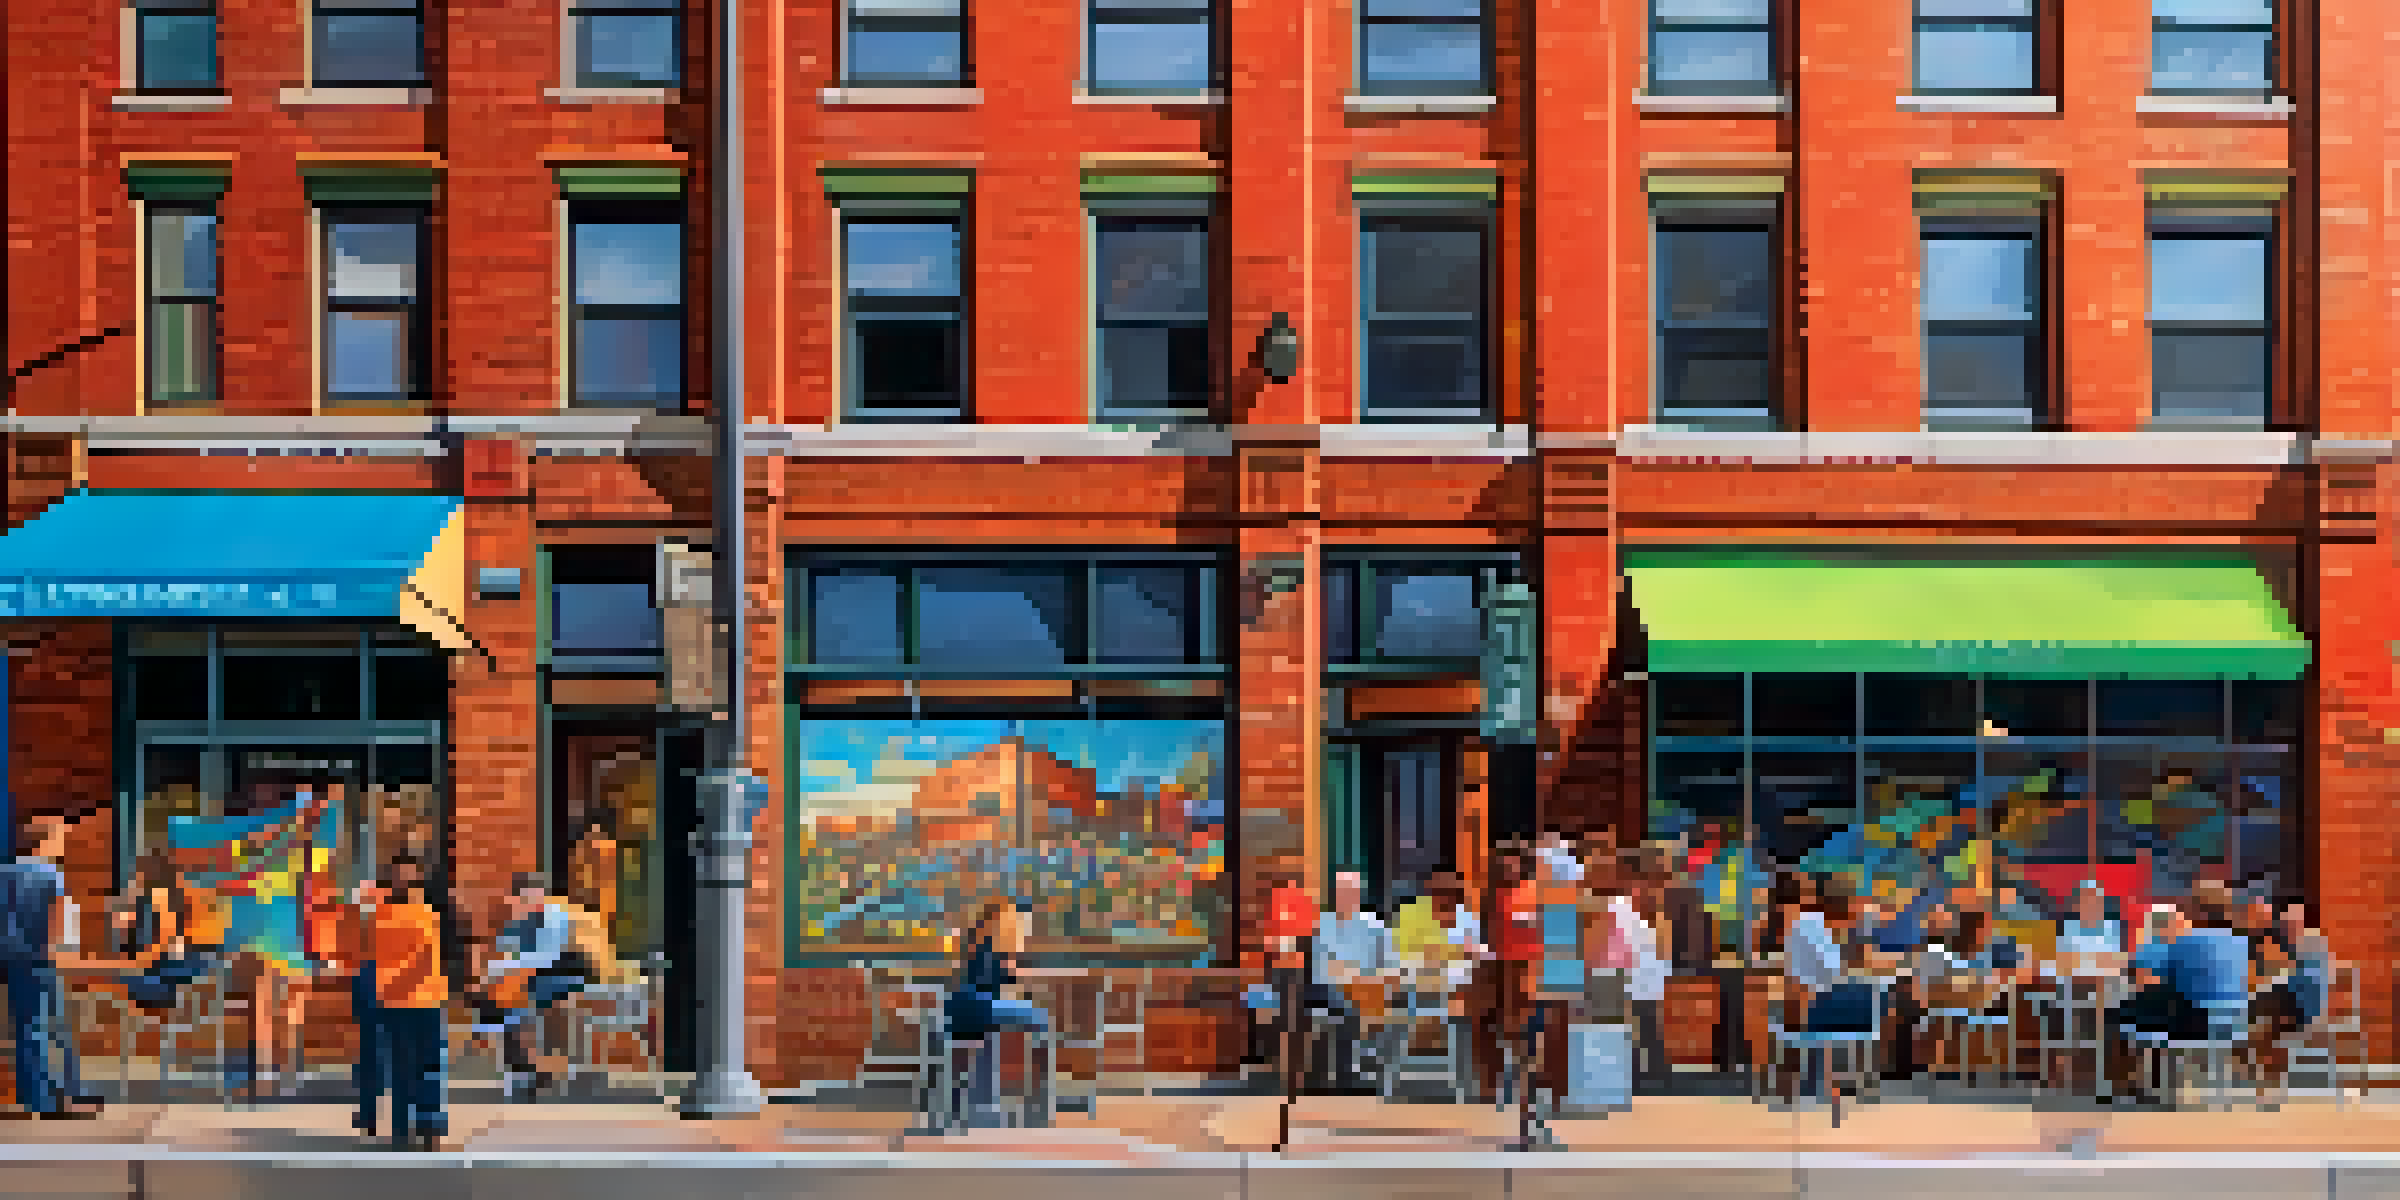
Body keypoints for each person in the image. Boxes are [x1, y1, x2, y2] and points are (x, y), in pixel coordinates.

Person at [0, 815, 100, 1120]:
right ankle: (51, 1100)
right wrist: (58, 951)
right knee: (48, 1028)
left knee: (28, 1029)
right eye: (59, 837)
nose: (62, 843)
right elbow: (55, 916)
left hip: (13, 957)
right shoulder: (50, 873)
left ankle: (42, 1094)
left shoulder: (5, 873)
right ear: (46, 840)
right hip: (42, 958)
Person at [478, 872, 592, 1101]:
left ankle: (530, 1067)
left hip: (560, 976)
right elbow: (505, 949)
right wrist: (497, 969)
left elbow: (546, 956)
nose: (523, 902)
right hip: (528, 980)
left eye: (529, 896)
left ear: (539, 895)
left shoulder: (556, 917)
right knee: (507, 1001)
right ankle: (525, 1067)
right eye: (520, 897)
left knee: (519, 1004)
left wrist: (506, 965)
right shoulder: (519, 920)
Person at [943, 896, 1051, 1126]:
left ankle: (986, 1104)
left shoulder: (976, 941)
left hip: (964, 1007)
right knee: (1039, 1018)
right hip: (979, 1006)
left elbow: (989, 980)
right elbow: (999, 981)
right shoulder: (997, 945)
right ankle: (1039, 1099)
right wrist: (1015, 970)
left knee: (992, 1038)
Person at [366, 857, 448, 1150]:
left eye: (411, 877)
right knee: (410, 1066)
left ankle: (422, 1127)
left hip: (419, 998)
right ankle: (412, 1128)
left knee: (418, 1066)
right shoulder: (384, 915)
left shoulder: (425, 914)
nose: (408, 883)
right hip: (401, 1000)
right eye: (404, 877)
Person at [1310, 870, 1392, 1092]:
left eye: (1351, 891)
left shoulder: (1373, 925)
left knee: (1371, 995)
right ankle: (1348, 1073)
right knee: (1343, 1002)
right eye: (1342, 892)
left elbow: (1389, 964)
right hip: (1332, 990)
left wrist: (1364, 977)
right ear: (1335, 894)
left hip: (1368, 989)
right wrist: (1350, 975)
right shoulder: (1323, 926)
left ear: (1359, 894)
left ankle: (1363, 1067)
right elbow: (1321, 970)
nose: (1346, 896)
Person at [1473, 845, 1540, 1105]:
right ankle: (1491, 1089)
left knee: (1517, 1032)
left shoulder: (1529, 894)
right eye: (1502, 864)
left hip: (1519, 971)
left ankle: (1521, 1092)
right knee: (1488, 1028)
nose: (1508, 869)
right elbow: (1486, 935)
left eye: (1513, 864)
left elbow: (1530, 935)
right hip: (1495, 971)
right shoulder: (1488, 898)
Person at [335, 872, 391, 1141]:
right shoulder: (391, 918)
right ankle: (376, 1114)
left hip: (370, 987)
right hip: (390, 989)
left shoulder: (352, 920)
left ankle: (369, 1114)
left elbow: (343, 955)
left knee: (370, 1055)